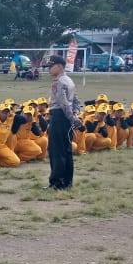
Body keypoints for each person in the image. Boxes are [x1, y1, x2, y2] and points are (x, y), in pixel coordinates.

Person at [47, 55, 82, 190]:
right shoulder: (69, 81)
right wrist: (75, 115)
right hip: (66, 118)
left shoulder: (59, 82)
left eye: (51, 66)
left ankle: (57, 182)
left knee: (56, 151)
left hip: (59, 116)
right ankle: (67, 182)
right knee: (66, 150)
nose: (49, 69)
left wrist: (72, 117)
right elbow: (75, 101)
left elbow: (64, 103)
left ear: (59, 66)